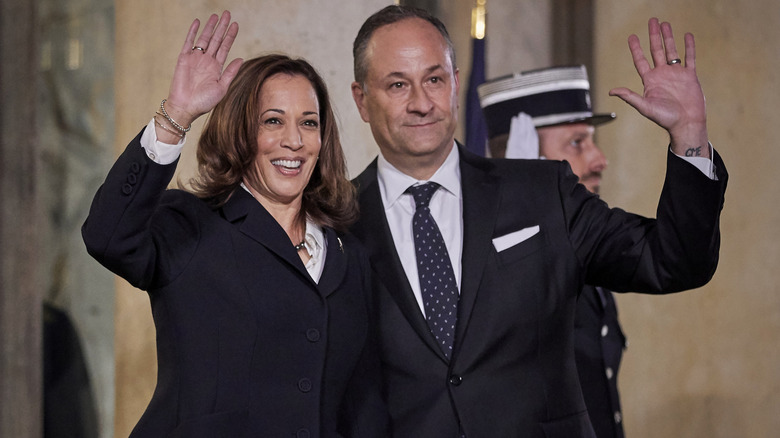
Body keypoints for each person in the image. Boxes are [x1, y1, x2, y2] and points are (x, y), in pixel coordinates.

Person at [348, 5, 727, 437]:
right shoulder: (335, 222)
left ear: (455, 83)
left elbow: (673, 261)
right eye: (398, 85)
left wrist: (690, 135)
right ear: (362, 99)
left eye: (434, 79)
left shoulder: (543, 193)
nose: (421, 103)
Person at [82, 11, 386, 437]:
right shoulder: (191, 225)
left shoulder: (347, 255)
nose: (294, 141)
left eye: (309, 123)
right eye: (273, 120)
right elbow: (106, 236)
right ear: (241, 131)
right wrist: (176, 115)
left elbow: (362, 402)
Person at [478, 65, 627, 438]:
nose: (599, 159)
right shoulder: (481, 256)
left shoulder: (582, 241)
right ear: (532, 160)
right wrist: (519, 206)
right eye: (577, 143)